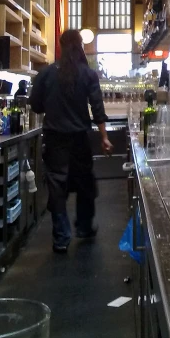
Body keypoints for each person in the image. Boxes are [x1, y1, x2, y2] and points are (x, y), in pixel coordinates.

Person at [30, 29, 113, 254]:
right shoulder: (87, 74)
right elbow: (98, 108)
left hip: (55, 139)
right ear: (80, 47)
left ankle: (61, 238)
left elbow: (36, 105)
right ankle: (84, 228)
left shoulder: (46, 74)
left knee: (57, 187)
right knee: (85, 183)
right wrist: (104, 138)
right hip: (80, 139)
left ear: (60, 46)